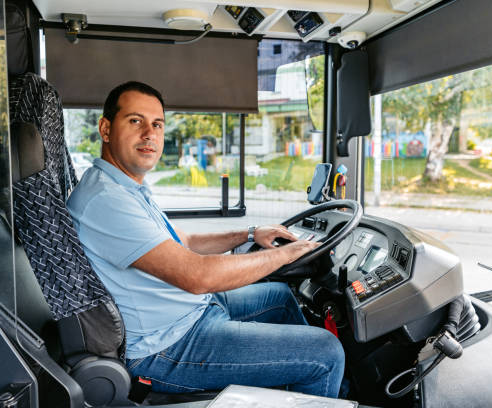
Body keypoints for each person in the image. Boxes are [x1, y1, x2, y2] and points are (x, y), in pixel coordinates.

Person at [67, 81, 345, 398]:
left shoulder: (124, 187)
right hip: (168, 347)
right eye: (135, 121)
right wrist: (286, 254)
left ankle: (298, 385)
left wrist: (250, 233)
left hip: (191, 312)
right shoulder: (105, 199)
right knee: (326, 352)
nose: (150, 134)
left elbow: (181, 241)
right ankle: (317, 380)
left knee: (279, 297)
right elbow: (198, 276)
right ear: (105, 129)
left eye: (157, 124)